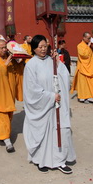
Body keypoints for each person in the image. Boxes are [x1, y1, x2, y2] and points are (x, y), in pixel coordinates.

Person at [23, 35, 76, 174]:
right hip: (43, 106)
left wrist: (58, 64)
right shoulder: (30, 65)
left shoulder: (52, 61)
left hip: (56, 105)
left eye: (45, 46)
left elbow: (63, 77)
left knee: (59, 131)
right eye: (39, 47)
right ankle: (41, 159)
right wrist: (50, 96)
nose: (43, 49)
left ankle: (59, 160)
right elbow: (31, 89)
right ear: (34, 48)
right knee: (43, 133)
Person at [71, 32, 93, 103]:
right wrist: (88, 46)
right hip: (83, 67)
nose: (89, 39)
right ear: (83, 38)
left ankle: (91, 97)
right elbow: (84, 55)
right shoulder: (80, 46)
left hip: (91, 67)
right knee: (84, 84)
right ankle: (83, 97)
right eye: (88, 38)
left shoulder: (90, 45)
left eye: (90, 38)